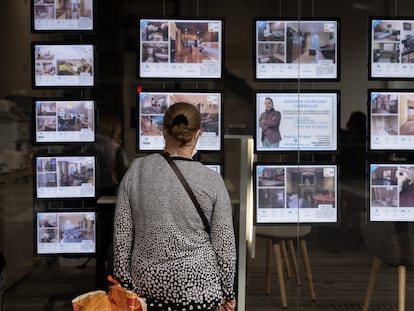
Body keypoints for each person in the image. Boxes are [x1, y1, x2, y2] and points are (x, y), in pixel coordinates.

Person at [112, 102, 237, 311]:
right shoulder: (212, 180)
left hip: (147, 289)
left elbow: (121, 238)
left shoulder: (137, 170)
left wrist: (125, 287)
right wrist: (228, 293)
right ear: (198, 135)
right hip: (200, 290)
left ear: (163, 132)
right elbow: (225, 248)